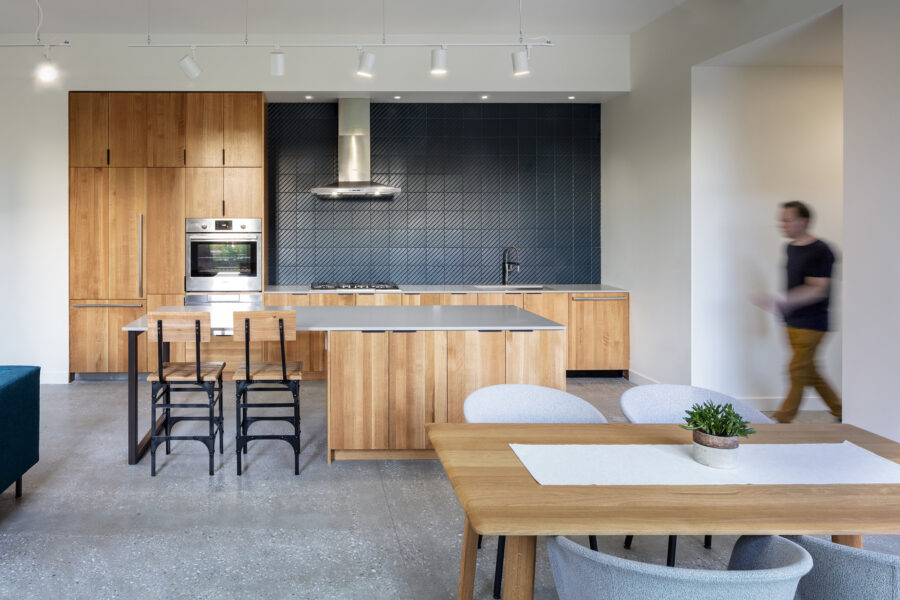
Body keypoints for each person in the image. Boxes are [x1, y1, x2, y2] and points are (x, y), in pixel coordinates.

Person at [760, 201, 842, 423]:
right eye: (781, 220)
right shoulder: (790, 247)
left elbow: (819, 288)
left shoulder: (821, 251)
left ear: (803, 221)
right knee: (809, 370)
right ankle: (841, 410)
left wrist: (784, 300)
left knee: (796, 369)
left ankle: (782, 420)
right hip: (792, 321)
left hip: (813, 323)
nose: (782, 225)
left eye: (787, 220)